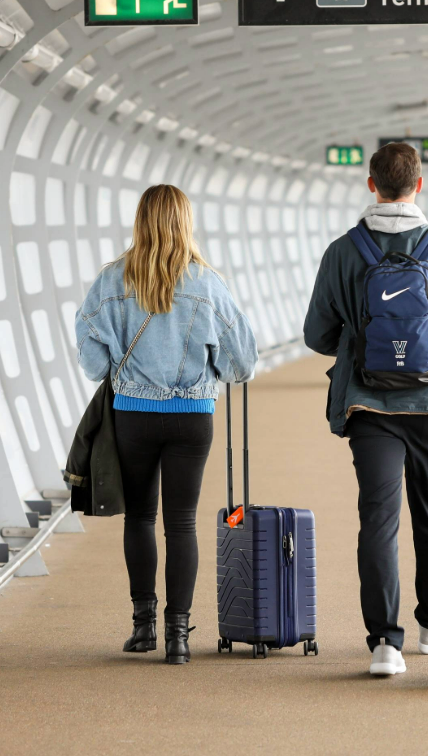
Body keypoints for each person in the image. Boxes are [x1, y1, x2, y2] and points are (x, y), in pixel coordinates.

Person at [302, 141, 428, 677]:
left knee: (378, 521)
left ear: (371, 185)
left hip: (370, 406)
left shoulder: (344, 250)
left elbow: (317, 334)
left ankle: (385, 643)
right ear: (418, 184)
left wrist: (360, 338)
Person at [76, 184, 258, 664]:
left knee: (140, 517)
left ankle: (144, 627)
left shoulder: (111, 282)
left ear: (140, 221)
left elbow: (93, 362)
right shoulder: (208, 284)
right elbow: (243, 364)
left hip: (132, 416)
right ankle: (179, 637)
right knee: (181, 524)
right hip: (192, 419)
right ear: (185, 223)